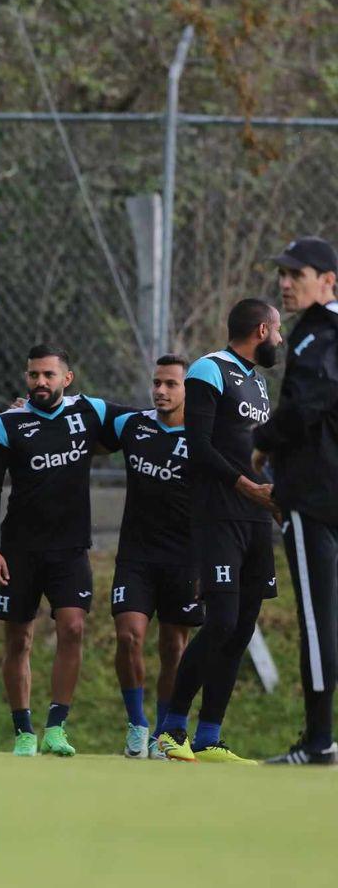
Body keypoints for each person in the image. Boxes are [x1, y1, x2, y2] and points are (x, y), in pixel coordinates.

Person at [155, 299, 281, 764]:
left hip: (256, 518)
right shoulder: (209, 369)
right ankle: (170, 729)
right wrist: (246, 486)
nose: (280, 340)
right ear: (262, 330)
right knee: (221, 621)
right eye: (278, 331)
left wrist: (277, 497)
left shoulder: (259, 382)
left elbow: (257, 450)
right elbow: (199, 445)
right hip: (219, 515)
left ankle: (209, 736)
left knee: (241, 628)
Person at [0, 344, 123, 757]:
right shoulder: (7, 422)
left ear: (67, 378)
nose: (40, 382)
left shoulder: (90, 410)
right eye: (33, 375)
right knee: (18, 640)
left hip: (70, 547)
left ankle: (56, 727)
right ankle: (24, 732)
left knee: (73, 628)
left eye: (48, 375)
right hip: (18, 549)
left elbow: (141, 423)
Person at [255, 237, 338, 765]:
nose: (285, 284)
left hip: (315, 496)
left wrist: (262, 441)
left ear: (328, 281)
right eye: (283, 274)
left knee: (316, 617)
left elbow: (309, 401)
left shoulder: (318, 334)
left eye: (297, 274)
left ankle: (318, 740)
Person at [103, 355, 200, 759]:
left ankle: (165, 732)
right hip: (136, 557)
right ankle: (136, 725)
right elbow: (78, 415)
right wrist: (28, 411)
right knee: (129, 637)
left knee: (174, 649)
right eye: (157, 383)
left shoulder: (204, 436)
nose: (161, 391)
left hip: (185, 558)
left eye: (171, 384)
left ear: (188, 390)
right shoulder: (132, 424)